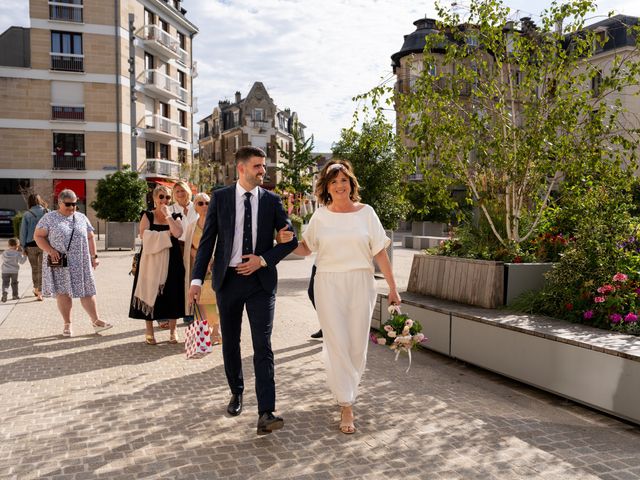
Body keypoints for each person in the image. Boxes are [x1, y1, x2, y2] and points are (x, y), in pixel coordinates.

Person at [188, 146, 298, 436]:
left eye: (264, 166)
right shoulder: (221, 198)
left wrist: (263, 259)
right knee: (231, 342)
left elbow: (290, 239)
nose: (264, 171)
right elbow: (208, 241)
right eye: (258, 167)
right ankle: (236, 392)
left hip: (260, 282)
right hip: (228, 281)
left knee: (263, 345)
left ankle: (266, 411)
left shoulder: (272, 201)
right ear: (241, 168)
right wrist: (196, 281)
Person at [288, 160, 401, 434]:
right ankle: (346, 403)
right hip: (327, 282)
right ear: (326, 187)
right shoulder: (320, 216)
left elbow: (379, 252)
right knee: (337, 341)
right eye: (333, 182)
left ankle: (346, 387)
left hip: (361, 282)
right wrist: (285, 243)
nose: (339, 186)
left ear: (351, 183)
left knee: (356, 344)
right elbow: (306, 248)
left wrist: (393, 287)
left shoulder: (367, 213)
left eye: (344, 181)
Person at [34, 189, 113, 337]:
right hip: (60, 261)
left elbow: (90, 237)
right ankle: (67, 324)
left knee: (87, 291)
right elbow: (38, 236)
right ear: (59, 203)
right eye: (68, 204)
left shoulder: (81, 217)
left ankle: (96, 321)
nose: (71, 208)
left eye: (75, 204)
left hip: (82, 261)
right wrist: (50, 250)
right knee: (63, 293)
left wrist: (94, 256)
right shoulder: (49, 218)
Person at [129, 185, 185, 345]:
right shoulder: (147, 215)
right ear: (154, 199)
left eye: (167, 197)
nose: (164, 200)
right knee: (150, 292)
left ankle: (173, 331)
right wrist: (167, 235)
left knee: (173, 294)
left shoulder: (175, 215)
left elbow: (178, 233)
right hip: (150, 262)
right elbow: (144, 236)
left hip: (172, 260)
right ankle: (149, 330)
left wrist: (168, 217)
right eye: (161, 197)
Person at [183, 192, 221, 344]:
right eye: (200, 203)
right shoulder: (192, 226)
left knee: (214, 299)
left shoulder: (218, 222)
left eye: (207, 203)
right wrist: (200, 259)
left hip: (215, 267)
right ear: (195, 207)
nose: (204, 206)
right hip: (199, 268)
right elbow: (189, 248)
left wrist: (212, 260)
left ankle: (216, 331)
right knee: (200, 300)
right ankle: (204, 332)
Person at [19, 193, 48, 301]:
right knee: (42, 269)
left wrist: (23, 246)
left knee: (35, 268)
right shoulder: (47, 212)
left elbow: (23, 232)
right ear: (40, 200)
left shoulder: (27, 214)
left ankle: (36, 289)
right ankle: (41, 291)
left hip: (30, 246)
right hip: (45, 244)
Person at [1, 238, 27, 302]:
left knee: (5, 283)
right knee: (14, 283)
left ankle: (5, 293)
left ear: (8, 245)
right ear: (17, 246)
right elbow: (22, 262)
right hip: (14, 272)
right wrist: (25, 256)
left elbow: (3, 259)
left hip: (5, 271)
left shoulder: (4, 252)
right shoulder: (17, 253)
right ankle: (15, 295)